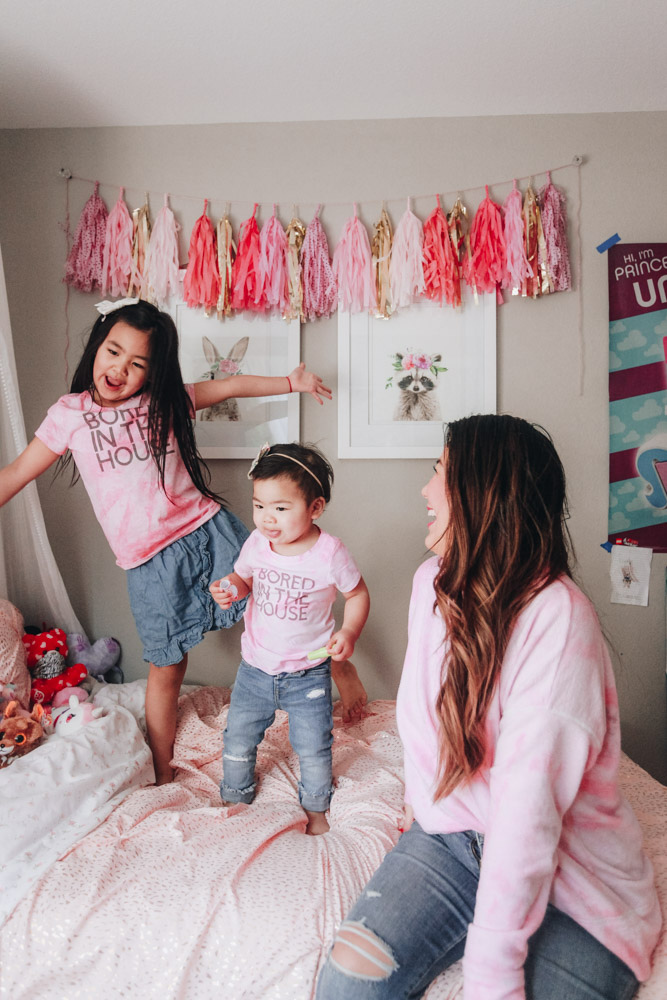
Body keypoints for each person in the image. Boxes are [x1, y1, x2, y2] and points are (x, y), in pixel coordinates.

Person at [316, 414, 661, 999]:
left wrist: (492, 977)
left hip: (572, 876)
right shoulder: (431, 585)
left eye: (439, 475)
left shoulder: (558, 618)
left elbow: (527, 814)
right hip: (452, 841)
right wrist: (421, 807)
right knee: (347, 986)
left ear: (484, 494)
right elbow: (424, 726)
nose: (425, 491)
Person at [0, 299, 340, 785]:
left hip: (209, 531)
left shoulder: (163, 402)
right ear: (97, 346)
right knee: (167, 665)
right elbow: (14, 473)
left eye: (137, 363)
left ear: (151, 372)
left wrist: (292, 383)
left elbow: (230, 385)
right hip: (149, 561)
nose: (119, 368)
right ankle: (162, 772)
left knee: (284, 607)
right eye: (113, 351)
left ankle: (338, 678)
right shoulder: (68, 416)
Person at [209, 442, 370, 835]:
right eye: (259, 506)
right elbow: (244, 579)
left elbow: (358, 594)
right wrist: (229, 586)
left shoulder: (329, 553)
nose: (267, 519)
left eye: (281, 508)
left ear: (315, 507)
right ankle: (235, 794)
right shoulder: (257, 544)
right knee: (238, 737)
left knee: (313, 746)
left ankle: (316, 807)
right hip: (255, 669)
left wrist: (348, 631)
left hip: (308, 673)